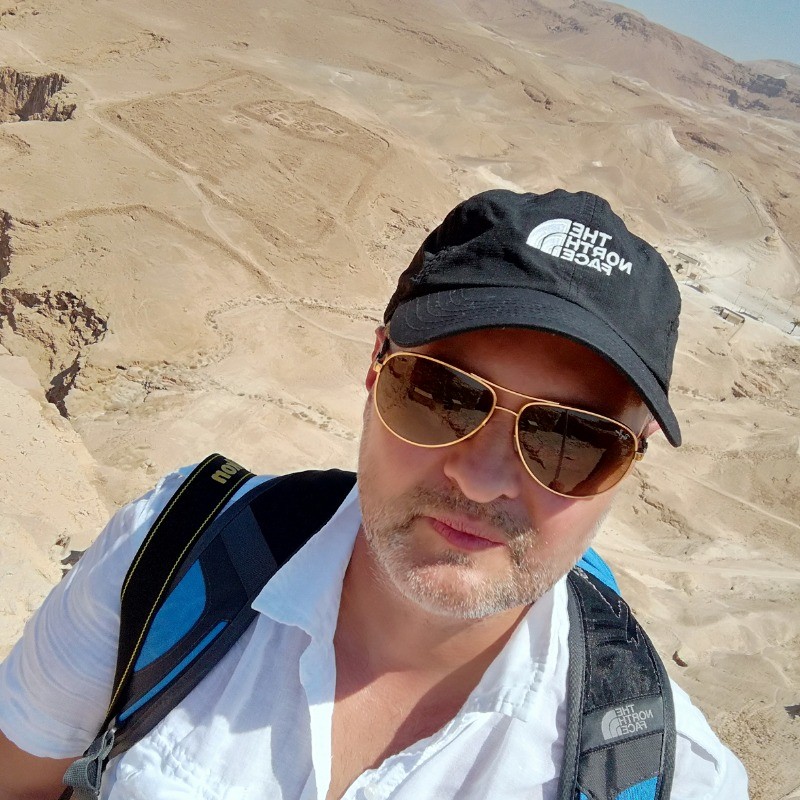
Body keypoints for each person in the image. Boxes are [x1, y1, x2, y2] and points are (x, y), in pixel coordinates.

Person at [0, 189, 748, 798]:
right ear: (375, 368)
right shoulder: (166, 558)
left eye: (571, 440)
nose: (482, 478)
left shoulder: (671, 777)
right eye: (443, 395)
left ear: (631, 459)